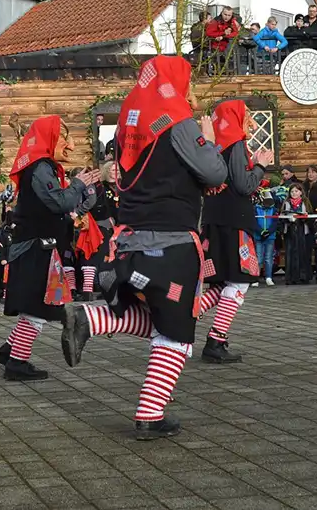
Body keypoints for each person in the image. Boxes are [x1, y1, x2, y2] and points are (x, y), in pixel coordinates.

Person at [62, 55, 228, 440]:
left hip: (131, 239)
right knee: (176, 332)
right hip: (172, 241)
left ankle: (92, 320)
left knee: (160, 319)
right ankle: (149, 416)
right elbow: (214, 172)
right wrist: (210, 142)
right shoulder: (177, 121)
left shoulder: (129, 121)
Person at [0, 116, 97, 381]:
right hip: (34, 249)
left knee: (34, 304)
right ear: (50, 138)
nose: (71, 145)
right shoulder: (40, 167)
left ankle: (8, 351)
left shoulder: (41, 167)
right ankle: (17, 363)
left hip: (36, 247)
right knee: (37, 308)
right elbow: (58, 202)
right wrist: (78, 185)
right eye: (64, 137)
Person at [195, 100, 274, 364]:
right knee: (239, 281)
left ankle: (183, 315)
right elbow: (244, 185)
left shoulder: (213, 146)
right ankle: (215, 340)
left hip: (214, 220)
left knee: (224, 283)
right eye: (247, 116)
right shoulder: (235, 144)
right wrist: (260, 166)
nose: (251, 123)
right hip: (234, 221)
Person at [77, 164, 117, 301]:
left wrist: (78, 211)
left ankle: (91, 289)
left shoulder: (91, 186)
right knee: (98, 256)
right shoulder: (100, 186)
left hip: (98, 225)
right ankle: (94, 289)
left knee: (93, 255)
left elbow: (92, 201)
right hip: (100, 225)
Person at [280, 182, 313, 284]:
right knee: (290, 254)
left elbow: (311, 217)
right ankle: (290, 277)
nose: (294, 193)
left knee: (302, 253)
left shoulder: (305, 202)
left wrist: (305, 217)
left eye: (296, 191)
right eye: (292, 191)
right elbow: (281, 217)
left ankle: (303, 276)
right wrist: (287, 218)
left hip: (302, 230)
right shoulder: (286, 203)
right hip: (290, 230)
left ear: (301, 192)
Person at [253, 188, 279, 286]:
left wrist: (269, 231)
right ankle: (255, 278)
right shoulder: (255, 209)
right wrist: (260, 232)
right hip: (258, 237)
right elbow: (254, 222)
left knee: (268, 258)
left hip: (270, 237)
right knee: (258, 258)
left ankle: (268, 277)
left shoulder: (274, 210)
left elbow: (275, 223)